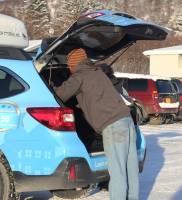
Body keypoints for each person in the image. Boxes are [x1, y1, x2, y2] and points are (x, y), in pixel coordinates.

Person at [53, 48, 139, 200]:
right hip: (126, 120)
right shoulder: (97, 72)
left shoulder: (79, 76)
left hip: (112, 126)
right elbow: (94, 96)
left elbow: (60, 94)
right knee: (130, 169)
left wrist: (52, 86)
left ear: (73, 64)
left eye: (69, 65)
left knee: (117, 171)